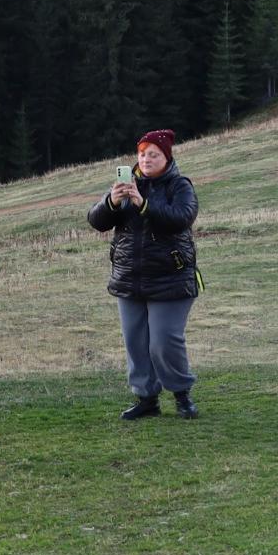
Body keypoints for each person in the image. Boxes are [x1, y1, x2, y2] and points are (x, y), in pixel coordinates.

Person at [87, 129, 200, 420]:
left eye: (154, 154)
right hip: (129, 277)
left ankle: (181, 394)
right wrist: (111, 201)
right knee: (135, 343)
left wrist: (144, 204)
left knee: (164, 342)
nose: (146, 159)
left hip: (170, 278)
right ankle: (146, 398)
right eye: (142, 154)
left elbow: (181, 219)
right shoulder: (127, 185)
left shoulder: (179, 185)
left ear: (167, 158)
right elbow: (96, 221)